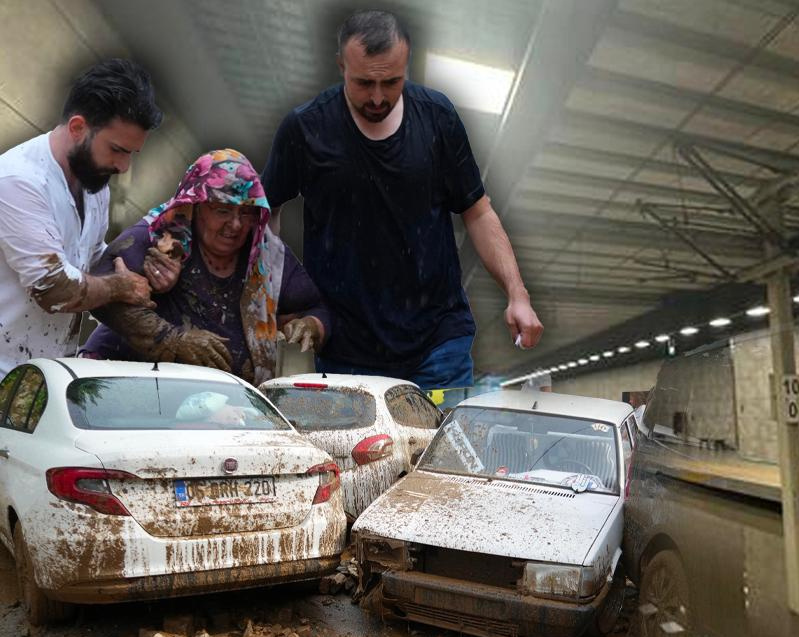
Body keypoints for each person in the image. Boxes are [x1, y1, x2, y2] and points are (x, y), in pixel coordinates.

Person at [262, 10, 542, 399]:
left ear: (407, 65)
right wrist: (278, 296)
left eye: (391, 82)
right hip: (346, 348)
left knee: (438, 458)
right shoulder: (306, 129)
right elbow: (264, 215)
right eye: (363, 83)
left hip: (438, 342)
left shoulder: (437, 118)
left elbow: (477, 211)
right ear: (341, 65)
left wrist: (517, 294)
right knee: (360, 459)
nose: (378, 97)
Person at [81, 149, 330, 384]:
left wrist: (311, 326)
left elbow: (315, 307)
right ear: (195, 205)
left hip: (224, 410)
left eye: (246, 213)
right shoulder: (159, 234)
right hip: (129, 387)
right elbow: (100, 291)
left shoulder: (268, 255)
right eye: (222, 210)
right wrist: (173, 341)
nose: (235, 225)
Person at [0, 58, 165, 374]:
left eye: (131, 153)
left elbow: (90, 259)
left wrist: (146, 270)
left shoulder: (94, 183)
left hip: (42, 375)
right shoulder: (18, 179)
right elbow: (53, 288)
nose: (124, 166)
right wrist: (121, 287)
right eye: (117, 149)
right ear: (77, 127)